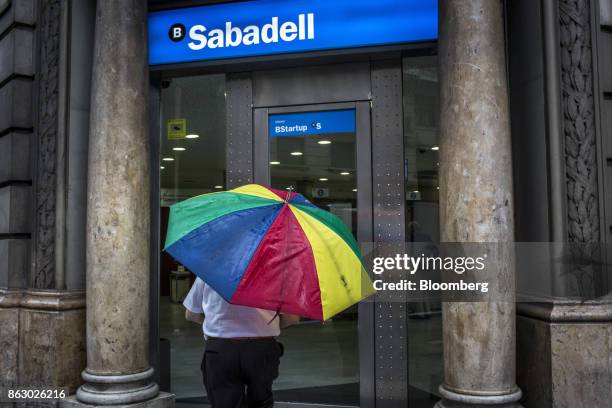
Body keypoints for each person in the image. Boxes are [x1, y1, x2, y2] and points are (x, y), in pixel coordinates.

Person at [183, 276, 300, 408]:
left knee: (224, 402)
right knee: (261, 401)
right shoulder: (275, 274)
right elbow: (292, 318)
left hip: (221, 349)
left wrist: (216, 324)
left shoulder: (208, 273)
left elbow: (191, 314)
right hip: (262, 349)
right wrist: (266, 325)